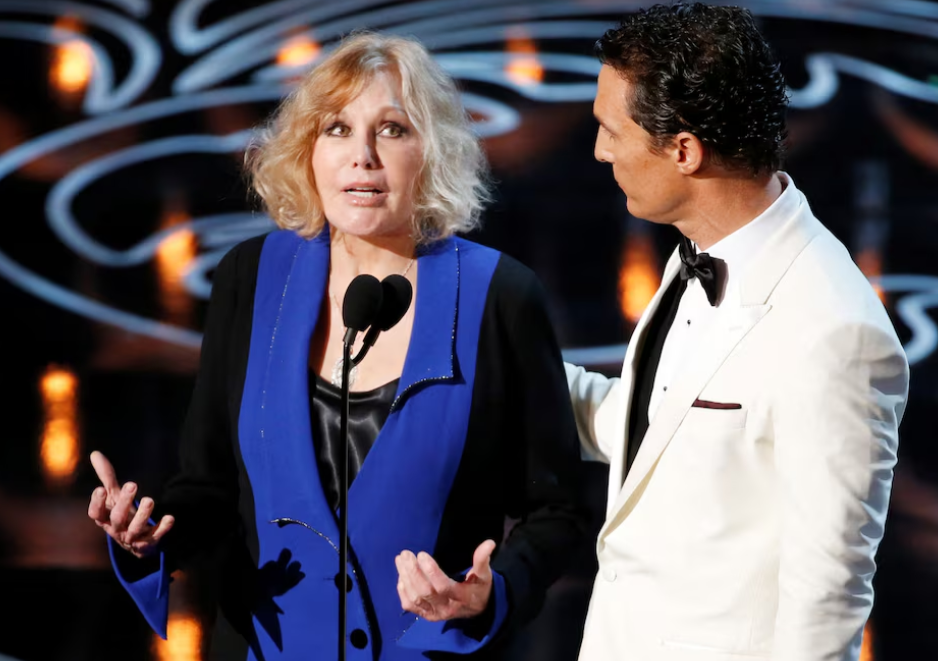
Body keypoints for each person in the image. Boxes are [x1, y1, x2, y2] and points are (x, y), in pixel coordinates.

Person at [87, 32, 585, 660]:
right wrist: (152, 537)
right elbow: (209, 487)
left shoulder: (500, 295)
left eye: (393, 129)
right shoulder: (250, 277)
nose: (363, 157)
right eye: (338, 129)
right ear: (307, 151)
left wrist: (492, 590)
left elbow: (558, 509)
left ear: (430, 152)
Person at [565, 4, 909, 660]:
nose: (599, 149)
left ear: (684, 151)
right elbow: (660, 436)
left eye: (612, 129)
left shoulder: (834, 330)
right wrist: (499, 362)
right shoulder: (701, 251)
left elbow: (827, 593)